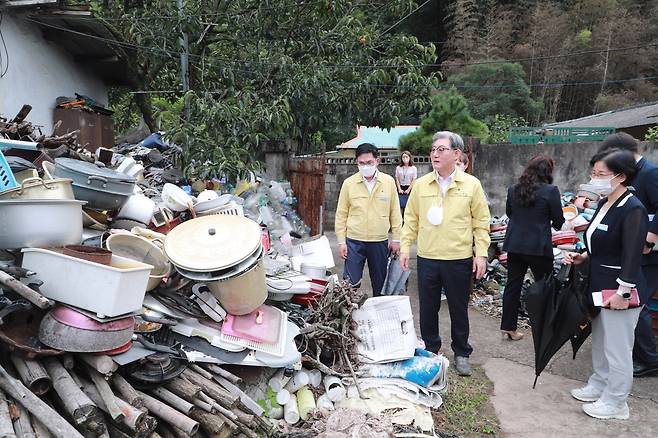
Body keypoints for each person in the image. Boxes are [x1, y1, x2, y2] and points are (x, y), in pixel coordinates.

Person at [564, 149, 647, 420]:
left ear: (621, 176)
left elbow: (632, 255)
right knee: (600, 341)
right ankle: (599, 383)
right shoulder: (604, 203)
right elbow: (599, 241)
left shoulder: (633, 208)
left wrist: (623, 292)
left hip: (620, 290)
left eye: (601, 174)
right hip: (599, 285)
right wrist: (583, 256)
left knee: (618, 348)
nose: (595, 179)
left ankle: (616, 401)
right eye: (593, 173)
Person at [400, 131, 491, 376]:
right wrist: (405, 247)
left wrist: (480, 253)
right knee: (427, 307)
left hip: (458, 258)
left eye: (441, 149)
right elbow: (410, 219)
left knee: (458, 308)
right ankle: (431, 349)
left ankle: (462, 352)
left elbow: (481, 222)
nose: (435, 154)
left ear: (456, 154)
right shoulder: (421, 185)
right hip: (428, 256)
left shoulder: (471, 185)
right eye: (433, 149)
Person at [596, 132, 658, 377]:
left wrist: (651, 237)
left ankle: (650, 359)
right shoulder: (628, 174)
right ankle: (638, 354)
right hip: (632, 250)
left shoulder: (651, 173)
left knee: (636, 303)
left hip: (650, 253)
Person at [500, 155, 565, 340]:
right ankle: (546, 328)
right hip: (538, 247)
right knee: (545, 286)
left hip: (515, 245)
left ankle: (508, 327)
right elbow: (559, 221)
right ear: (547, 171)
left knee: (513, 286)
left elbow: (509, 213)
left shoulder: (513, 189)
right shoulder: (551, 191)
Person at [335, 143, 402, 296]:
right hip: (354, 241)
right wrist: (341, 242)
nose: (366, 166)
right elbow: (341, 214)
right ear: (356, 162)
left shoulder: (388, 182)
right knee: (349, 285)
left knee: (380, 284)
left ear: (377, 161)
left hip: (379, 241)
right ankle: (349, 316)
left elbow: (395, 213)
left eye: (369, 162)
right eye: (362, 163)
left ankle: (379, 315)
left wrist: (397, 239)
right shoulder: (349, 184)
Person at [395, 150, 417, 217]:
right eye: (403, 157)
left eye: (406, 157)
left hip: (409, 187)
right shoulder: (398, 168)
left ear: (409, 158)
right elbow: (397, 179)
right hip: (400, 187)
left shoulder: (413, 168)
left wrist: (408, 189)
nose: (405, 159)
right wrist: (399, 189)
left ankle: (408, 220)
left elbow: (414, 180)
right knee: (400, 206)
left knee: (409, 206)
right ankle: (401, 221)